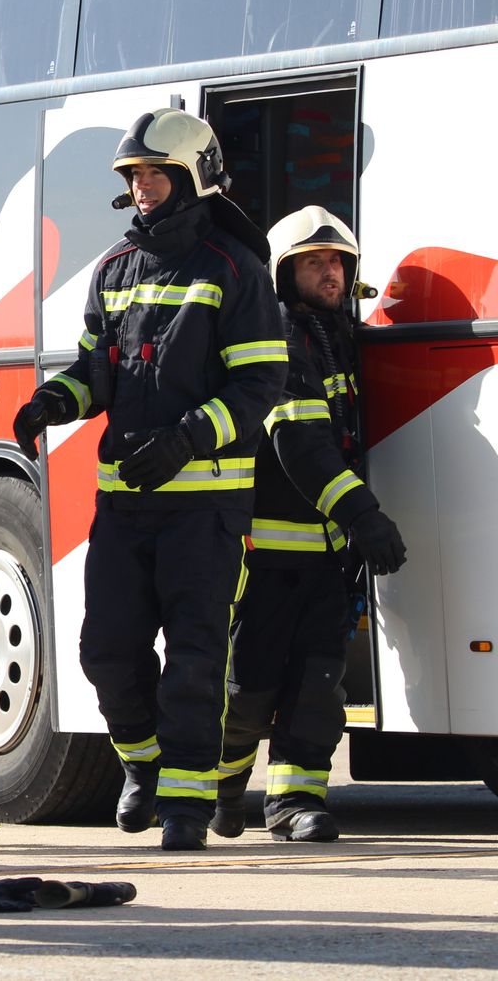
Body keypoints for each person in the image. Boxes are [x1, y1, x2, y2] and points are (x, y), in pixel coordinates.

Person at [11, 108, 286, 851]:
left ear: (193, 177)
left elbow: (259, 387)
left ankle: (187, 806)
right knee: (105, 648)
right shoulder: (112, 270)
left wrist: (187, 440)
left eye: (154, 174)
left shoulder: (237, 272)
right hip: (125, 505)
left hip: (207, 507)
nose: (140, 188)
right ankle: (142, 764)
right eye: (133, 177)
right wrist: (52, 403)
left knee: (196, 656)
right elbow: (97, 373)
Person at [213, 206, 406, 843]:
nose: (330, 272)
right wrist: (364, 515)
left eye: (338, 262)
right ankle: (221, 788)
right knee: (250, 686)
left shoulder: (336, 334)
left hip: (325, 553)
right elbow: (300, 445)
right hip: (264, 552)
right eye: (313, 261)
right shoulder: (279, 338)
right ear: (283, 271)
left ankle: (294, 801)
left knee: (319, 682)